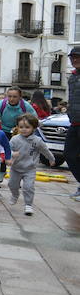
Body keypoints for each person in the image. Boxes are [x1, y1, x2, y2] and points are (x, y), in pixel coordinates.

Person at [8, 114, 55, 216]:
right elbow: (8, 150)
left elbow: (45, 150)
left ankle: (28, 205)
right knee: (12, 184)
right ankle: (15, 195)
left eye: (27, 127)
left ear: (34, 127)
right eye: (21, 127)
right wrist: (11, 156)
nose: (24, 129)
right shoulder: (15, 139)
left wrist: (51, 159)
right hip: (16, 168)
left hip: (30, 169)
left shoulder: (37, 141)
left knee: (28, 187)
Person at [67, 46, 80, 197]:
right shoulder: (72, 77)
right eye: (73, 58)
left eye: (77, 57)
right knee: (69, 154)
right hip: (75, 122)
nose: (75, 60)